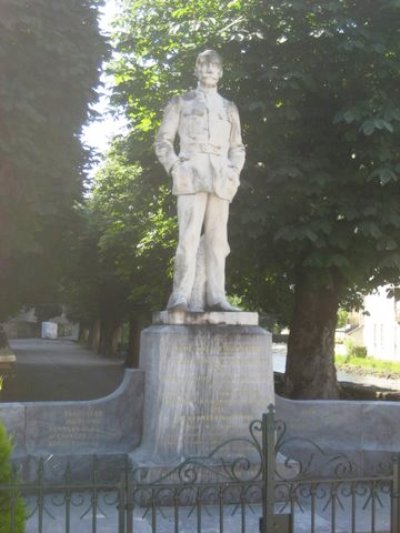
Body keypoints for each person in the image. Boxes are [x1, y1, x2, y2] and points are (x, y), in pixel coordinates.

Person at [155, 50, 245, 312]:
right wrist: (174, 166)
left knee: (218, 240)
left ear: (221, 72)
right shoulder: (180, 102)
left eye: (214, 66)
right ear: (196, 70)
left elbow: (237, 147)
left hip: (220, 178)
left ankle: (217, 296)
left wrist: (234, 172)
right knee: (189, 238)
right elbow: (163, 141)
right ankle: (180, 295)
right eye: (203, 65)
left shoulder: (229, 107)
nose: (209, 69)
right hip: (190, 175)